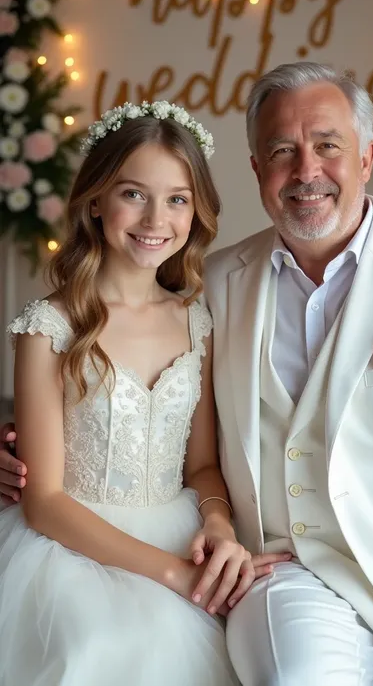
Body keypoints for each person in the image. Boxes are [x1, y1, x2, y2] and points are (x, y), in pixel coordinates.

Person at [2, 62, 373, 686]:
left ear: (367, 158)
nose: (306, 171)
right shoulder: (216, 286)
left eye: (328, 146)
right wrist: (21, 449)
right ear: (256, 169)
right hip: (280, 572)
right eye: (282, 150)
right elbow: (82, 442)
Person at [0, 100, 287, 686]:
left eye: (177, 198)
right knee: (105, 647)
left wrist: (219, 527)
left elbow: (203, 464)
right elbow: (45, 500)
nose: (156, 218)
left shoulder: (196, 319)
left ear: (195, 211)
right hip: (70, 548)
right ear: (97, 199)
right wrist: (175, 576)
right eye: (133, 193)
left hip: (176, 526)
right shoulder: (48, 327)